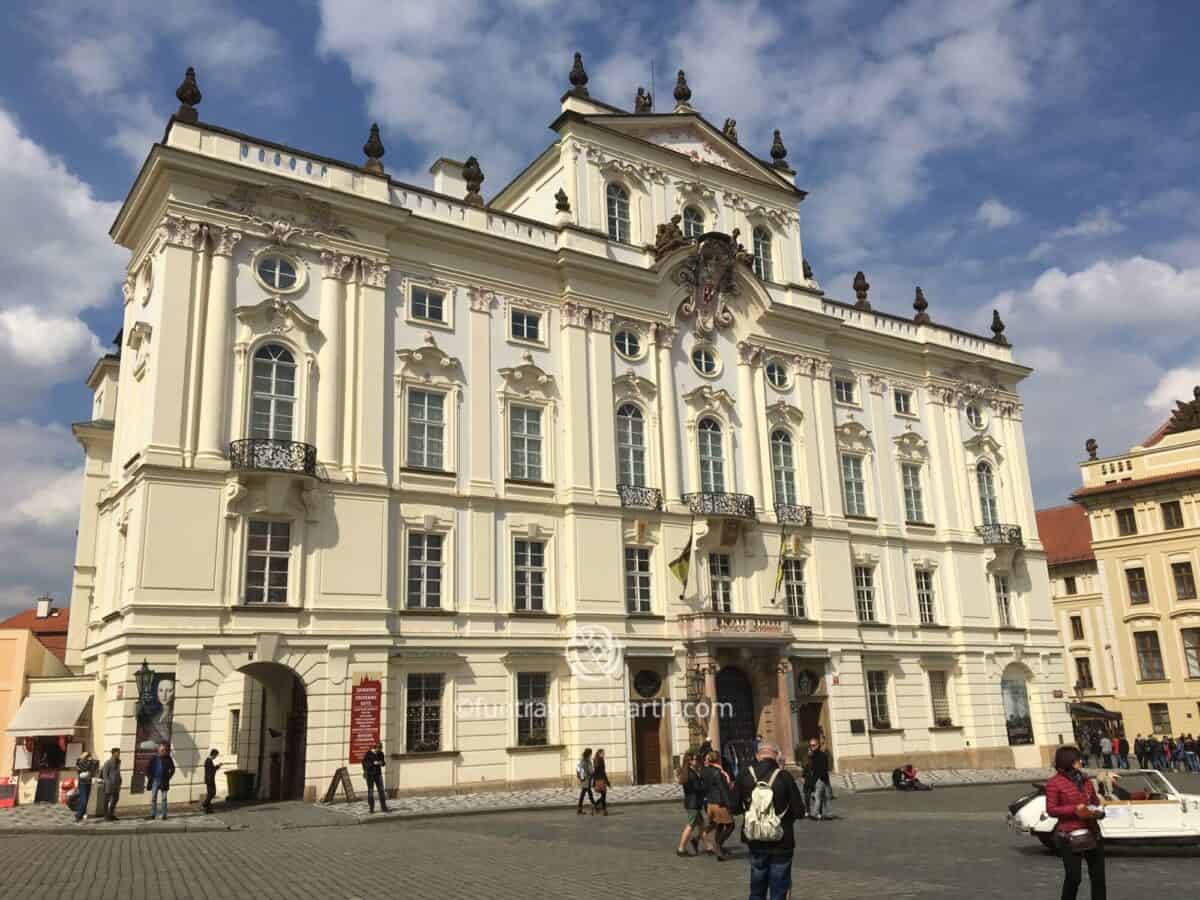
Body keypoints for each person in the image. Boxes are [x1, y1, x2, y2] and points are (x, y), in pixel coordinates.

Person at [735, 742, 805, 900]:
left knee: (757, 889)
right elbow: (799, 811)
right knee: (779, 889)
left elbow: (733, 807)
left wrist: (751, 811)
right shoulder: (784, 776)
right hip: (781, 840)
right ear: (777, 756)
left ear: (757, 756)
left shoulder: (745, 775)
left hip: (755, 838)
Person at [1045, 744, 1106, 900]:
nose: (1081, 762)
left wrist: (1097, 810)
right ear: (1068, 761)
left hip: (1092, 832)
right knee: (1074, 878)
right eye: (1078, 759)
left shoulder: (1085, 780)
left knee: (1098, 877)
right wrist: (1074, 809)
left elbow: (1093, 801)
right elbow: (1051, 809)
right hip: (1069, 835)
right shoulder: (1054, 783)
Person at [700, 751, 734, 860]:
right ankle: (718, 845)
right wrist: (729, 805)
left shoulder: (704, 771)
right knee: (730, 826)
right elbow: (723, 790)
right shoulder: (718, 773)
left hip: (710, 803)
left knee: (719, 825)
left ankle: (719, 847)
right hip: (720, 804)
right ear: (718, 759)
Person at [676, 752, 705, 857]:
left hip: (691, 802)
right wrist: (704, 786)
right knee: (690, 826)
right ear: (689, 762)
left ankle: (704, 844)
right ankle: (681, 848)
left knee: (702, 825)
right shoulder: (692, 774)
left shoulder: (687, 772)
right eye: (693, 760)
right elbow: (698, 788)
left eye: (696, 759)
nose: (695, 761)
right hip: (693, 804)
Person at [147, 741, 176, 820]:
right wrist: (150, 778)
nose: (164, 751)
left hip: (164, 781)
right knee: (153, 798)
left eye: (165, 750)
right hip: (155, 780)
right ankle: (153, 814)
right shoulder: (154, 758)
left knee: (164, 798)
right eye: (162, 750)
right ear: (158, 750)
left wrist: (169, 777)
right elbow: (148, 769)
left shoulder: (168, 758)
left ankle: (164, 815)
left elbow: (173, 769)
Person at [806, 738, 832, 820]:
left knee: (826, 798)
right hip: (818, 780)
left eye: (814, 745)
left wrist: (824, 779)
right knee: (818, 797)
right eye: (811, 745)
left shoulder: (822, 755)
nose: (812, 747)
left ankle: (828, 814)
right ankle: (815, 814)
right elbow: (810, 768)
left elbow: (825, 768)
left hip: (823, 778)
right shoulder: (811, 756)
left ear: (818, 745)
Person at [362, 741, 389, 813]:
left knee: (381, 791)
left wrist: (381, 763)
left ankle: (384, 807)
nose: (379, 751)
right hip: (370, 774)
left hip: (378, 774)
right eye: (378, 749)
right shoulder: (368, 754)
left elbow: (383, 763)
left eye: (380, 749)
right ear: (375, 748)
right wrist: (373, 763)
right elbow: (364, 764)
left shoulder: (381, 754)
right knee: (370, 791)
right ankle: (371, 808)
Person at [74, 751, 98, 823]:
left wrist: (92, 760)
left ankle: (81, 815)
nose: (87, 757)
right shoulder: (79, 762)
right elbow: (81, 768)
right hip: (82, 783)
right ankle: (78, 815)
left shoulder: (91, 762)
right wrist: (84, 759)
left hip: (88, 783)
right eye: (85, 755)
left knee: (85, 800)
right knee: (83, 800)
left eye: (88, 755)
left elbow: (95, 766)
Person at [100, 747, 122, 821]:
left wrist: (120, 780)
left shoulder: (118, 762)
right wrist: (108, 783)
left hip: (116, 784)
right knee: (106, 800)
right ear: (113, 753)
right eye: (117, 753)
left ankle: (111, 814)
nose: (119, 754)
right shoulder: (108, 763)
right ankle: (106, 816)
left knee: (115, 799)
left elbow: (117, 772)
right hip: (109, 785)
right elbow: (105, 775)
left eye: (119, 753)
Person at [576, 748, 595, 815]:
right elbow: (590, 771)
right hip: (586, 779)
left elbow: (579, 769)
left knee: (588, 793)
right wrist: (593, 772)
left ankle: (580, 809)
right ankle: (580, 809)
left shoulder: (582, 760)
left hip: (584, 779)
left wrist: (581, 777)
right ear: (589, 753)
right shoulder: (586, 761)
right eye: (591, 753)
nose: (591, 755)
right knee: (584, 794)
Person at [203, 749, 221, 813]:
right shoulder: (208, 761)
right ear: (213, 754)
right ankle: (205, 804)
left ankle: (208, 809)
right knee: (212, 793)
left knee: (210, 794)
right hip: (210, 780)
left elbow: (212, 770)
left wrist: (217, 766)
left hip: (209, 779)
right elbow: (211, 771)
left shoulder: (209, 761)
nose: (216, 757)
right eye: (216, 756)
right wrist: (217, 767)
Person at [592, 748, 609, 815]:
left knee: (603, 795)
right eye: (602, 753)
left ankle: (597, 806)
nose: (604, 754)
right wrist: (607, 782)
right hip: (601, 780)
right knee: (604, 796)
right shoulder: (600, 760)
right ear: (599, 753)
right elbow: (603, 772)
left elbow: (595, 772)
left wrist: (594, 781)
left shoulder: (595, 760)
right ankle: (603, 810)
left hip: (598, 780)